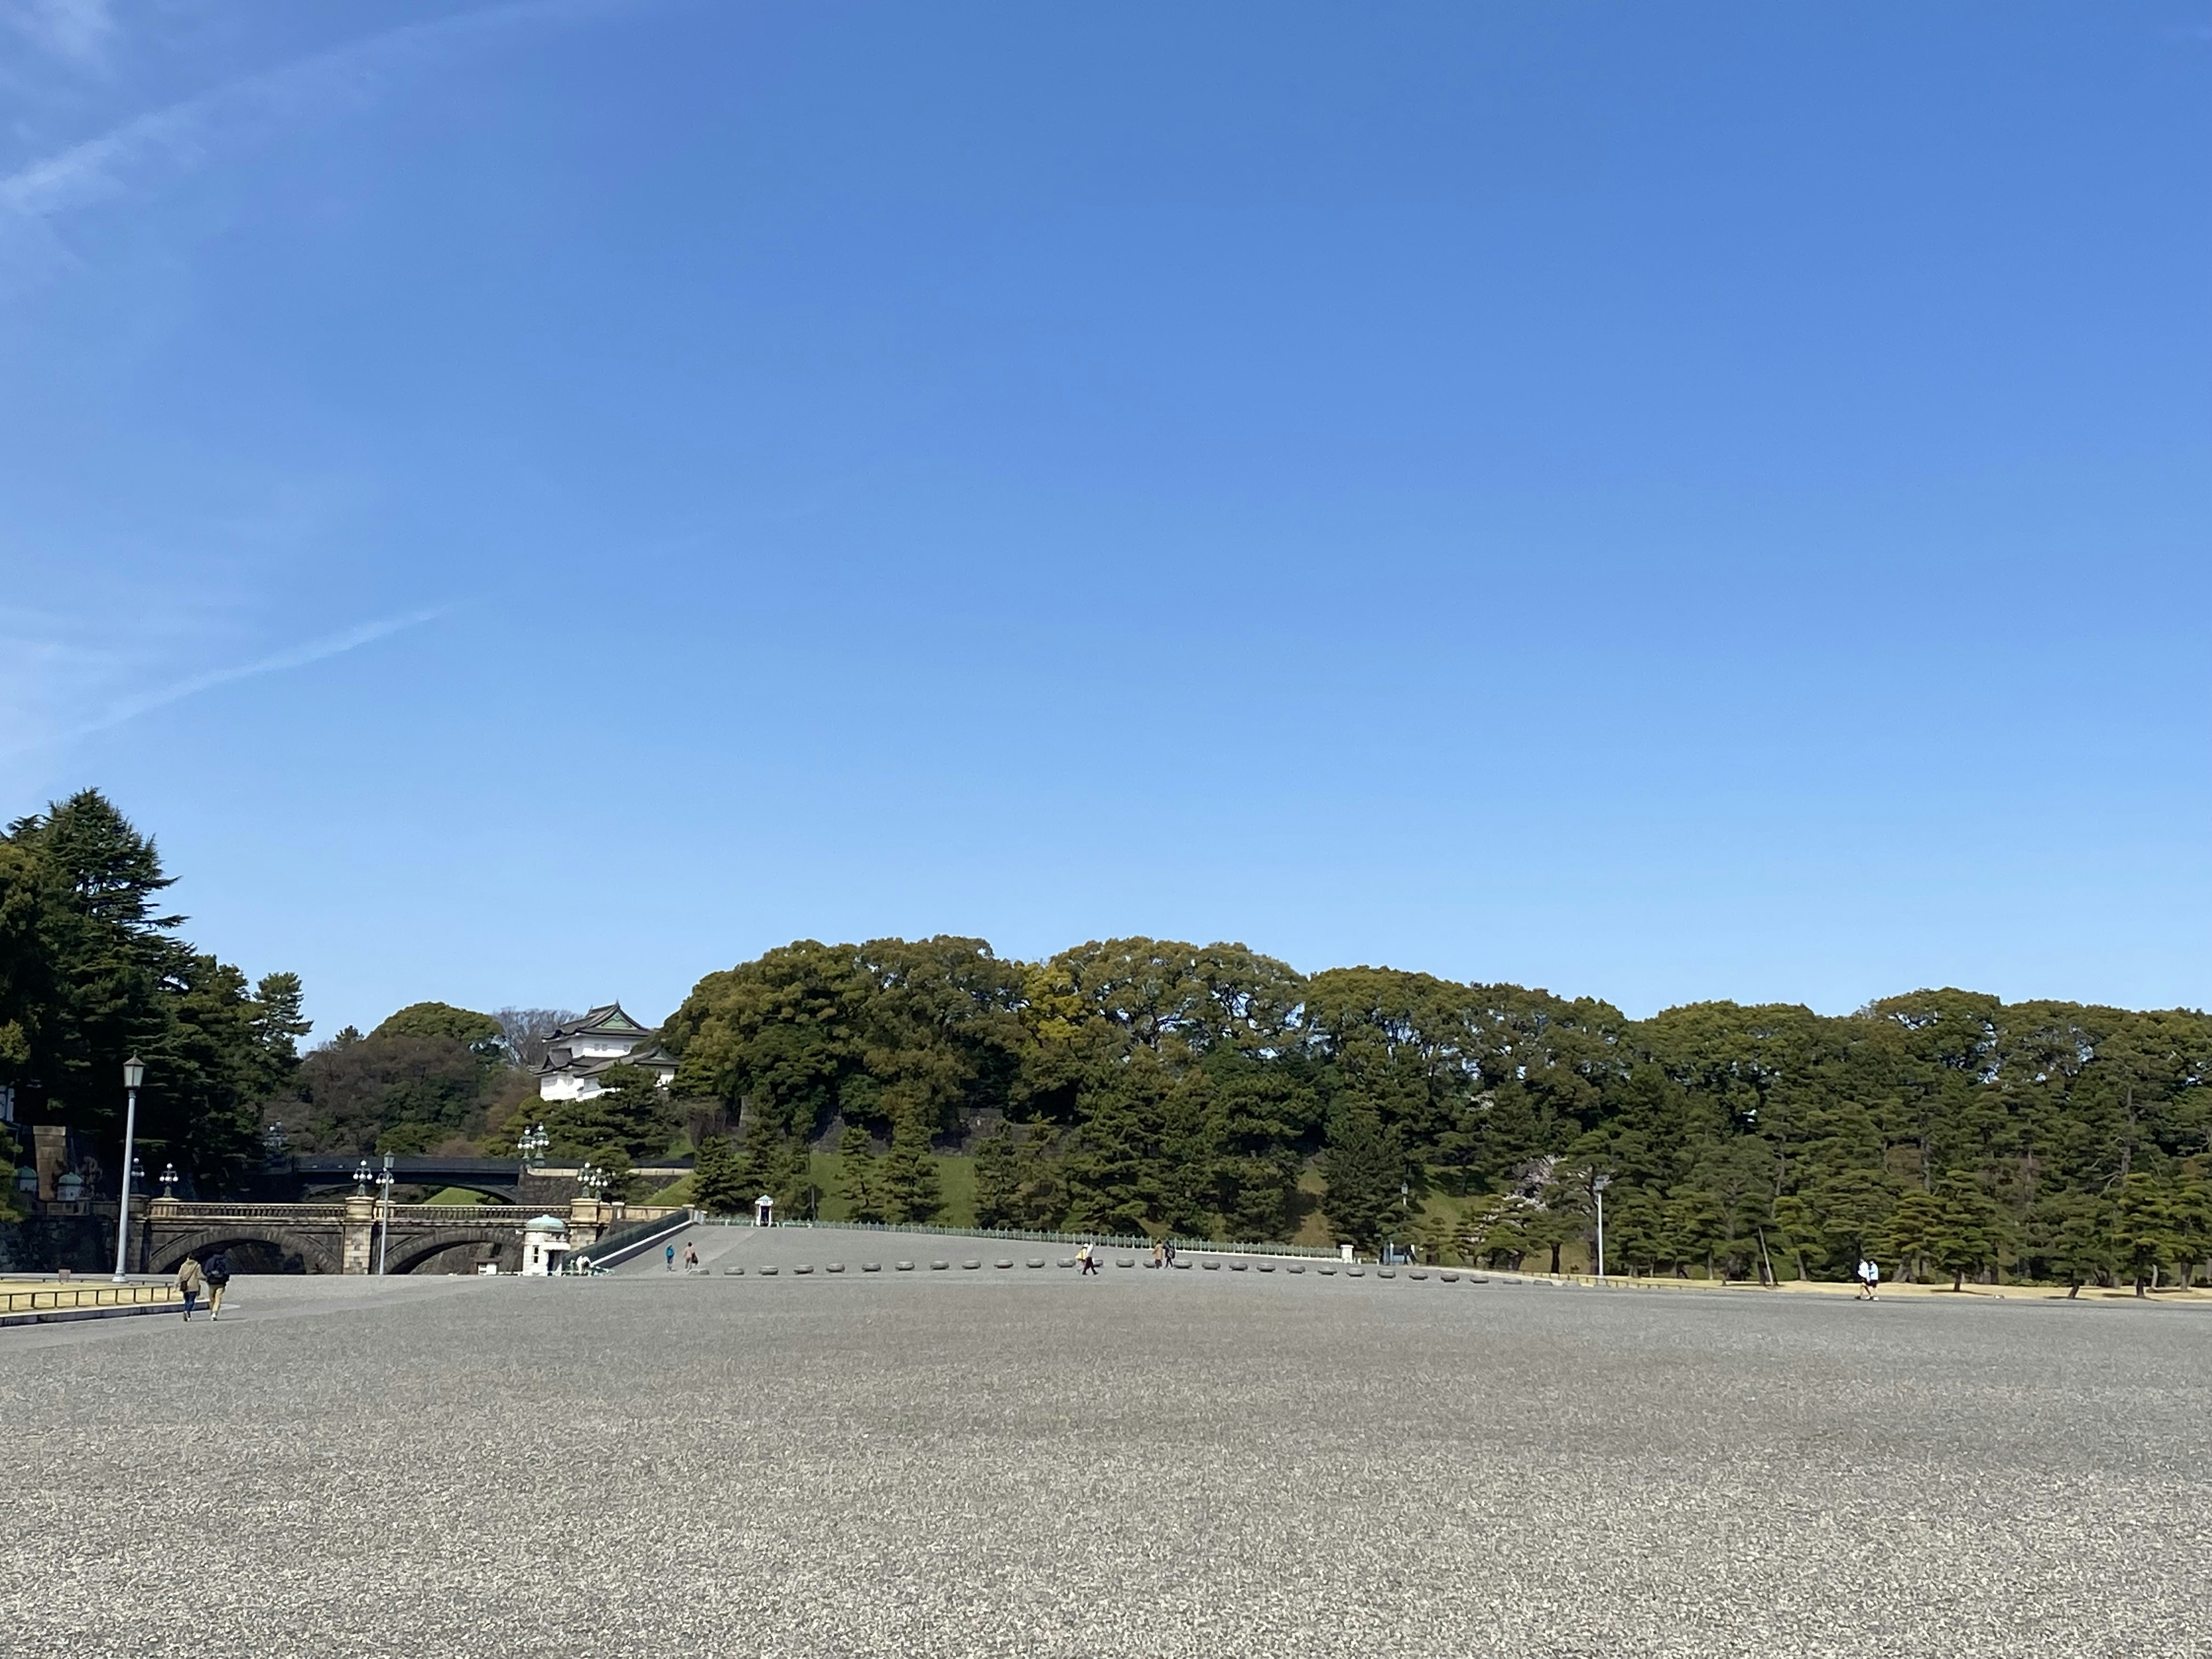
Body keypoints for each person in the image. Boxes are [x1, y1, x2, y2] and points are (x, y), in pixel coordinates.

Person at [203, 1249, 232, 1321]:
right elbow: (228, 1272)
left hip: (211, 1283)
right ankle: (214, 1313)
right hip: (221, 1283)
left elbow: (206, 1271)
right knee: (218, 1299)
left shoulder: (210, 1260)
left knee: (212, 1299)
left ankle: (212, 1311)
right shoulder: (225, 1261)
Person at [176, 1255, 205, 1321]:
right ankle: (187, 1311)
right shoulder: (197, 1266)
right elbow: (199, 1275)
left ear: (188, 1258)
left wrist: (176, 1284)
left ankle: (187, 1314)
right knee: (191, 1301)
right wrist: (206, 1278)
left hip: (185, 1286)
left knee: (186, 1300)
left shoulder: (184, 1265)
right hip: (193, 1285)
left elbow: (180, 1275)